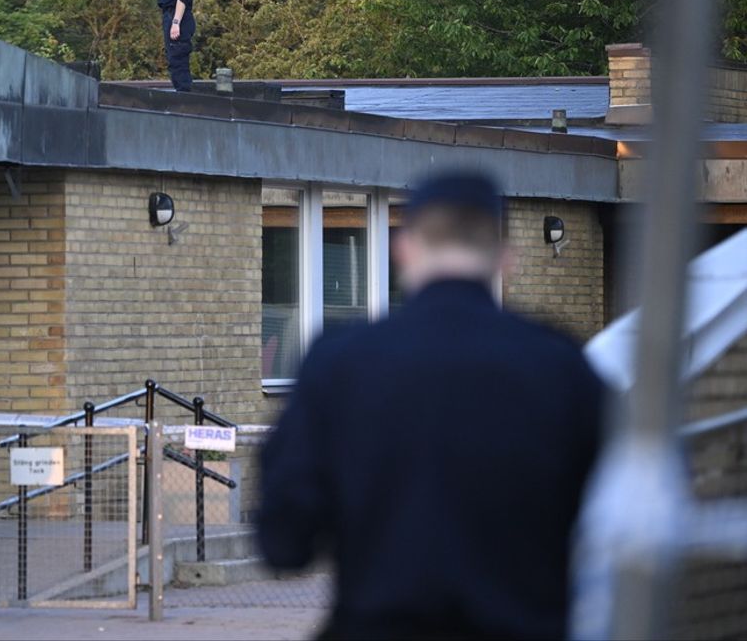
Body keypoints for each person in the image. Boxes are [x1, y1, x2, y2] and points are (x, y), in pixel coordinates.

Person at [256, 170, 604, 639]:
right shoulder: (562, 365)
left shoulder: (340, 362)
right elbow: (609, 522)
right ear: (504, 259)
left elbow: (283, 540)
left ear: (404, 250)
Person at [158, 0, 194, 92]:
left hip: (177, 15)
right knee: (174, 60)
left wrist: (176, 22)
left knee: (178, 60)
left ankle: (184, 99)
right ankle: (182, 94)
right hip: (170, 13)